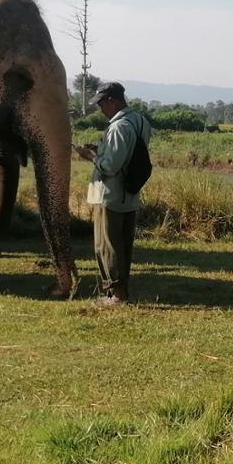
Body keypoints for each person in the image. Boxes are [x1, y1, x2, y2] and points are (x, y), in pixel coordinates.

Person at [72, 82, 151, 305]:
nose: (100, 109)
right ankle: (121, 291)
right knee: (123, 244)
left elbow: (110, 166)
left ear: (112, 101)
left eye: (101, 104)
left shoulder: (118, 127)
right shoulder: (140, 121)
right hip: (129, 194)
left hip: (110, 194)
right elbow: (127, 154)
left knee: (106, 245)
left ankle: (116, 295)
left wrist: (90, 156)